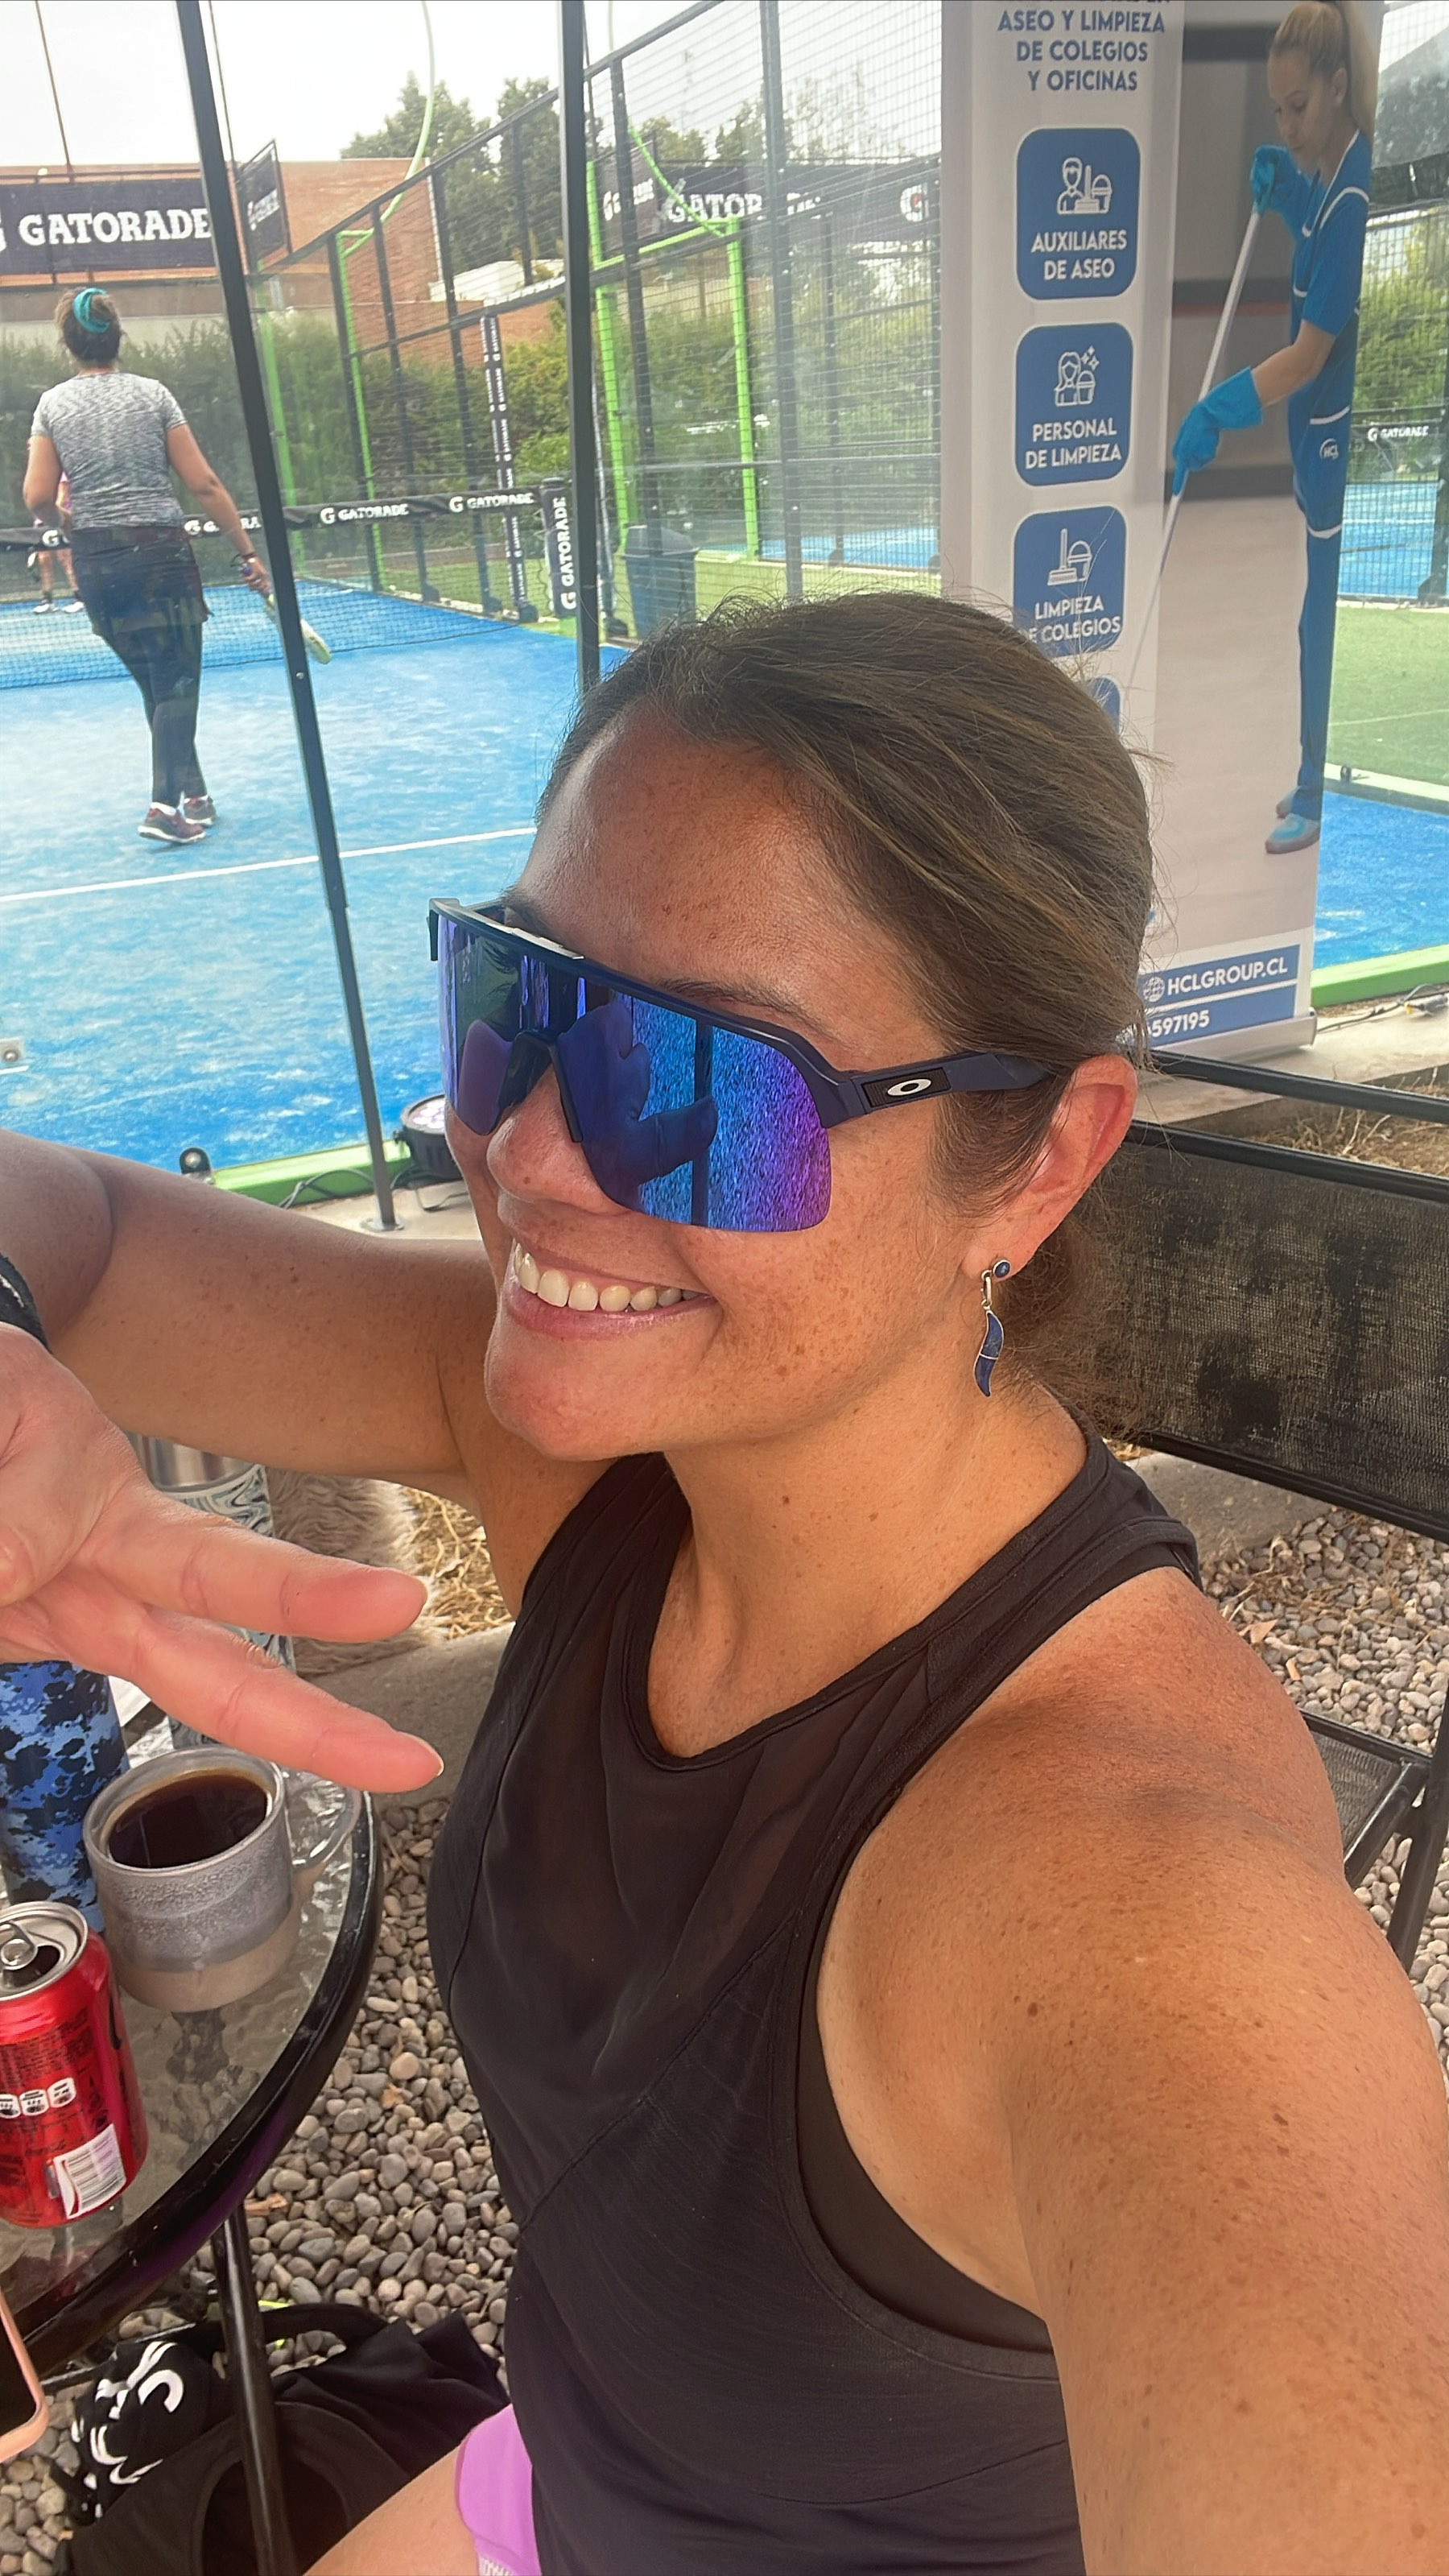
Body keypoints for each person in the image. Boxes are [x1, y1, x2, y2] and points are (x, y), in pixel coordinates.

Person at [3, 593, 1449, 2576]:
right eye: (517, 1000)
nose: (525, 1151)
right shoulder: (601, 1449)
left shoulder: (1132, 1904)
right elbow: (72, 1231)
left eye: (697, 1083)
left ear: (1041, 1164)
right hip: (564, 2472)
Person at [1170, 0, 1374, 857]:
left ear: (1339, 87)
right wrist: (1289, 191)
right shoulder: (1327, 177)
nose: (1286, 125)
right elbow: (1313, 235)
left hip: (1327, 428)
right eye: (1276, 110)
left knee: (1320, 619)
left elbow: (1307, 355)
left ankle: (1317, 792)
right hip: (1310, 429)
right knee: (1308, 614)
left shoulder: (1354, 196)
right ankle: (1310, 777)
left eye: (1299, 106)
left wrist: (1220, 407)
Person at [22, 287, 271, 846]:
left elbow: (36, 496)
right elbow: (205, 484)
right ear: (118, 336)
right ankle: (162, 808)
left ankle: (195, 795)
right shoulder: (154, 396)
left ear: (69, 344)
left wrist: (69, 520)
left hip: (98, 567)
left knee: (159, 687)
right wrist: (248, 553)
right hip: (161, 560)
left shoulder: (51, 405)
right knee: (176, 685)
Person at [31, 473, 82, 614]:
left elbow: (62, 497)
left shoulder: (61, 474)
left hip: (60, 520)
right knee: (44, 560)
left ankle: (79, 598)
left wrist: (52, 516)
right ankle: (47, 601)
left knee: (65, 559)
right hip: (41, 523)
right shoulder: (37, 475)